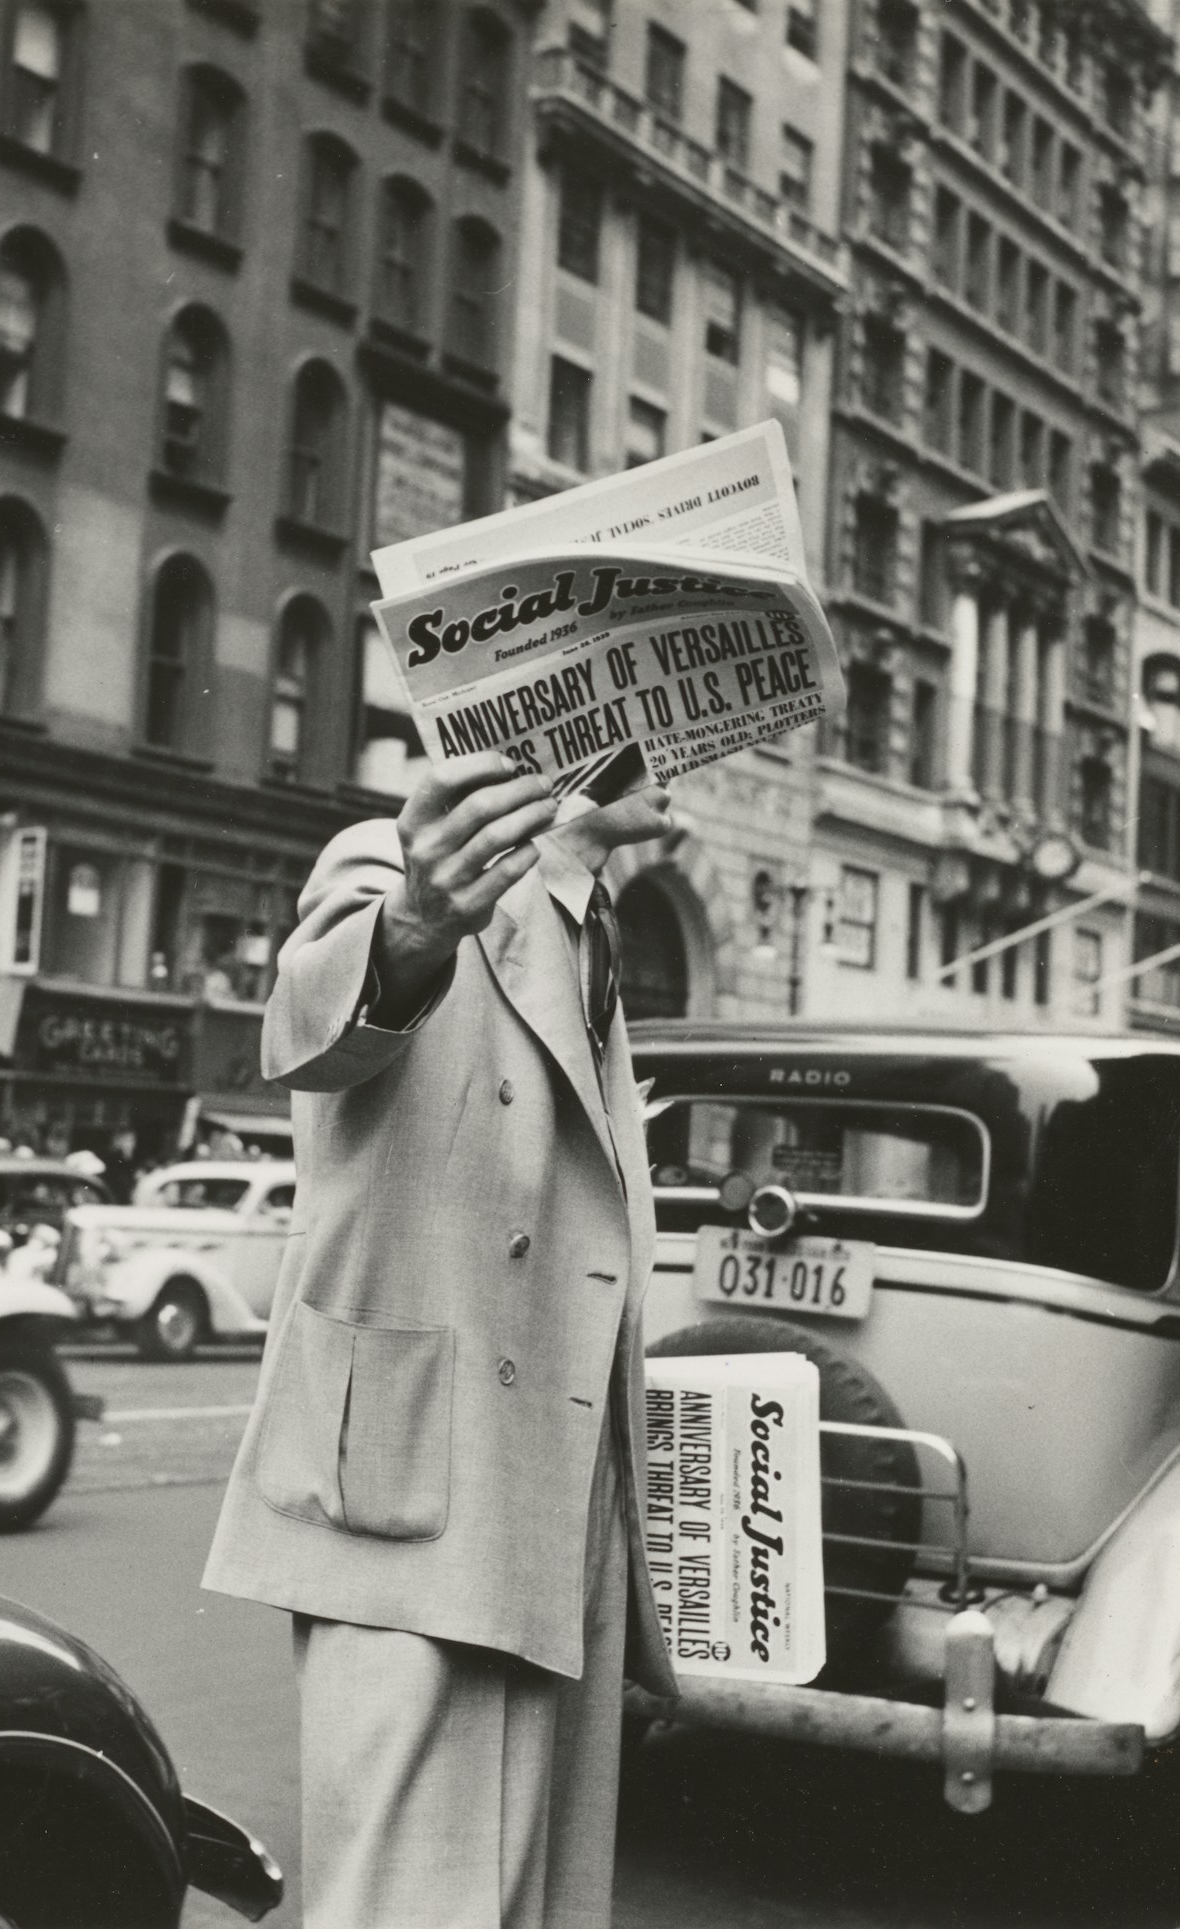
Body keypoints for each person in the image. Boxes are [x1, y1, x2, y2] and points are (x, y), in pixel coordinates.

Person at [202, 751, 678, 1929]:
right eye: (655, 727)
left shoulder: (589, 920)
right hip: (420, 1498)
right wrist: (415, 921)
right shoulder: (398, 861)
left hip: (554, 1507)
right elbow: (306, 1026)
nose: (684, 764)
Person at [102, 1126, 139, 1203]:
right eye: (129, 1141)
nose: (133, 1145)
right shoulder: (111, 1165)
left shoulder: (128, 1164)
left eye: (133, 1140)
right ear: (118, 1142)